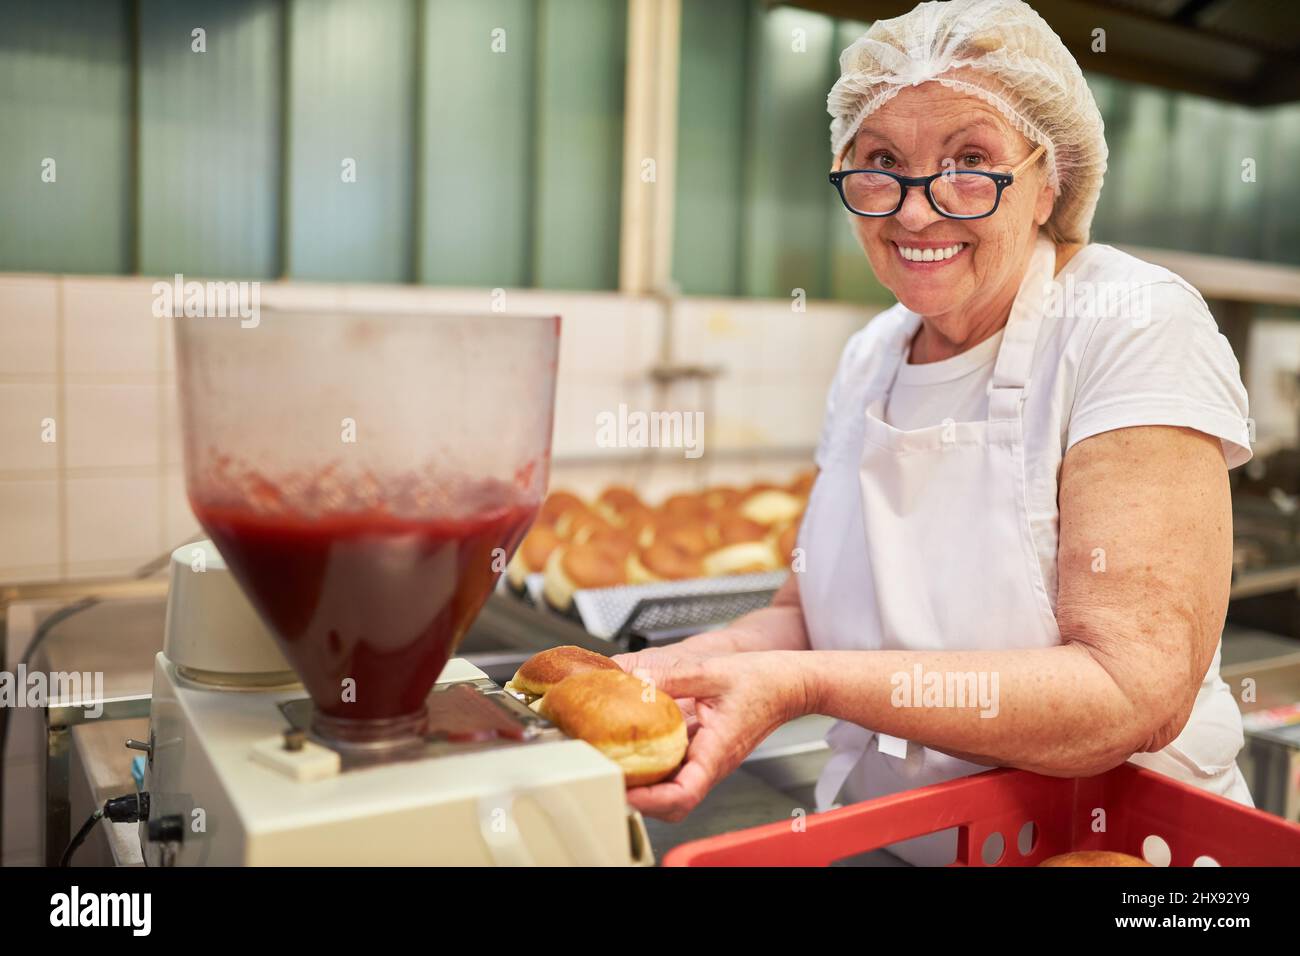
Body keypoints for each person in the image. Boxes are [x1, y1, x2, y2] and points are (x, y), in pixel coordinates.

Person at [613, 0, 1253, 865]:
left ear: (1049, 179)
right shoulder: (871, 355)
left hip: (1127, 859)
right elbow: (805, 616)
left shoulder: (1128, 323)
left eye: (970, 161)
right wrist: (684, 674)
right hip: (908, 847)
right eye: (881, 162)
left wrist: (801, 687)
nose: (916, 212)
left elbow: (1131, 694)